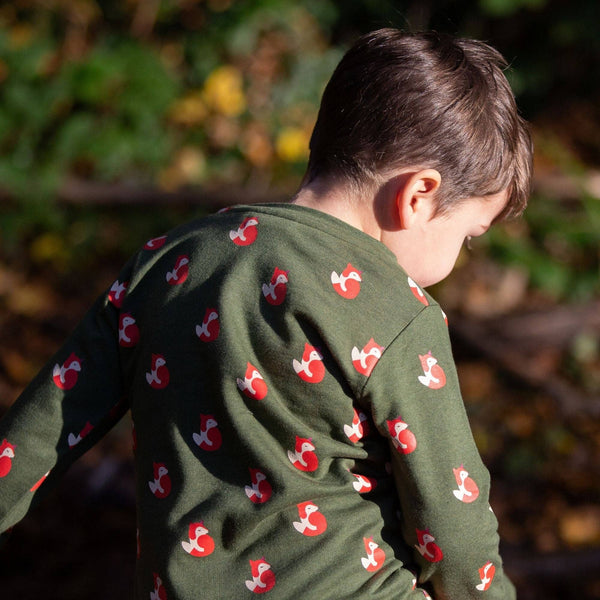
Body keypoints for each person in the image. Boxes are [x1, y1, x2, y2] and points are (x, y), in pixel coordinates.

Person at [0, 28, 532, 599]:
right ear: (419, 195)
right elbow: (453, 523)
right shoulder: (394, 312)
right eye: (469, 236)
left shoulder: (169, 265)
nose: (461, 256)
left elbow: (37, 434)